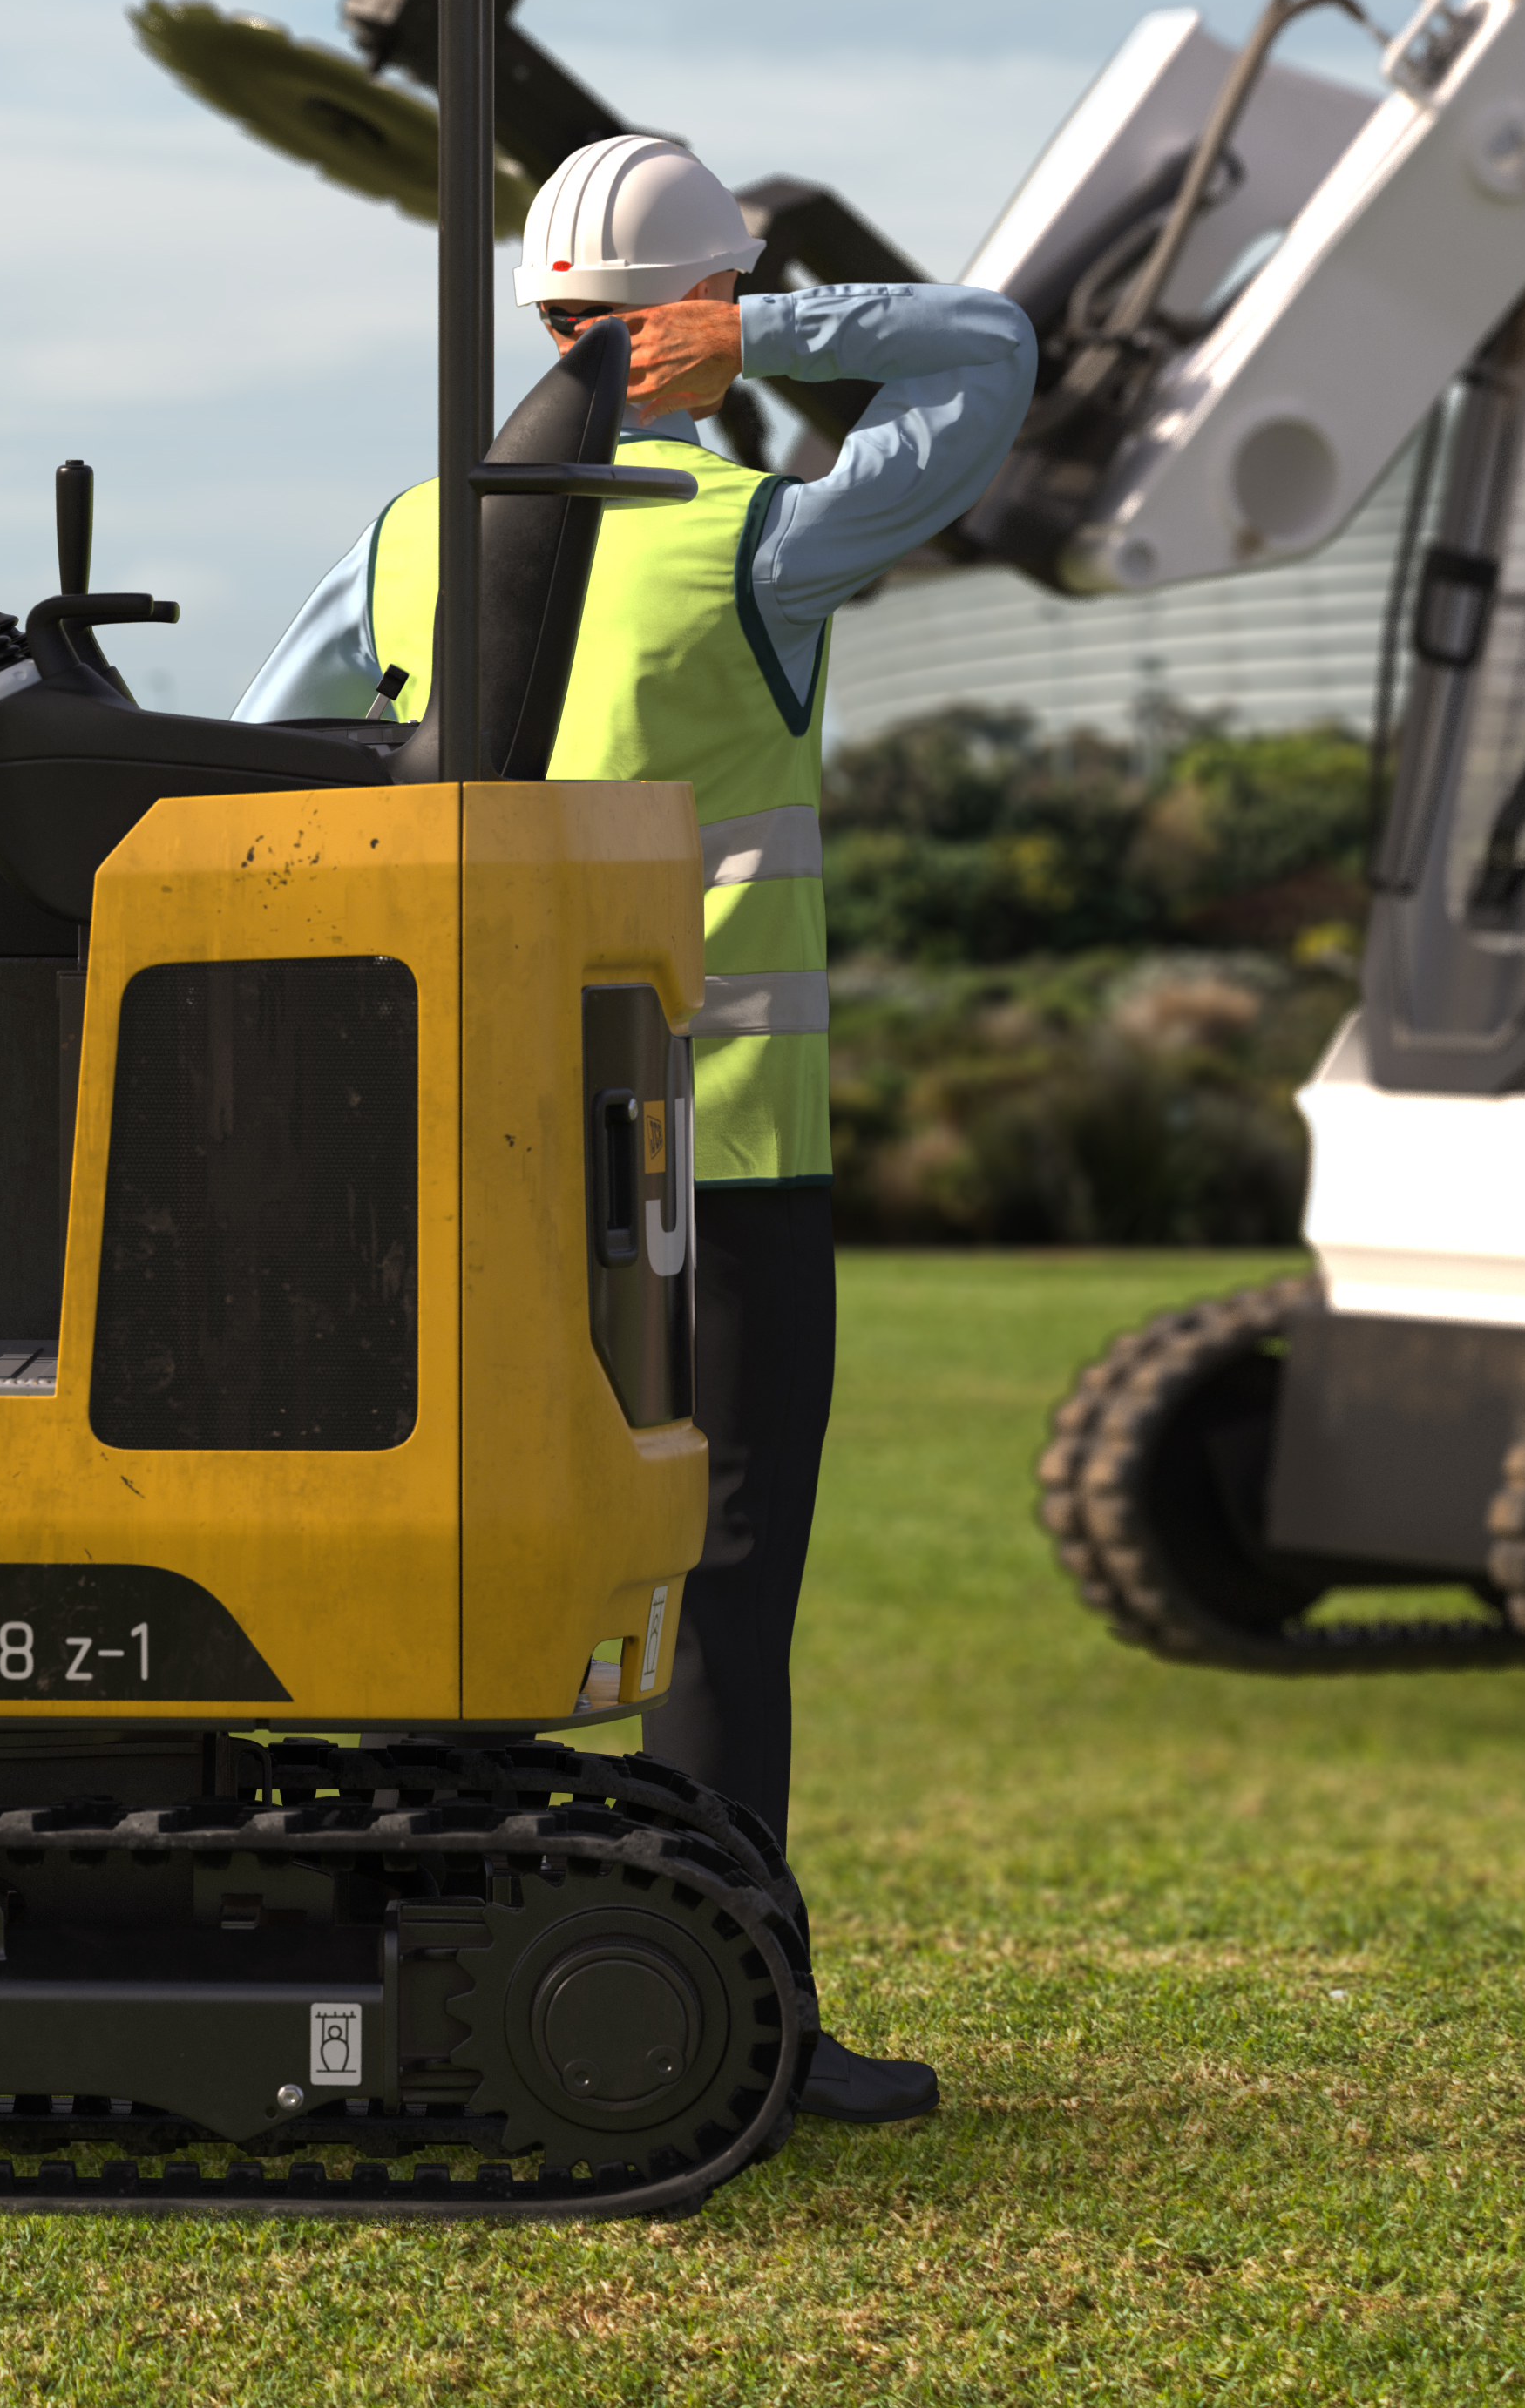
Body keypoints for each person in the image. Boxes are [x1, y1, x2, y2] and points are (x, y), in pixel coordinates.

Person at [235, 133, 1033, 2127]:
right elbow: (993, 352)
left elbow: (267, 743)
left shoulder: (421, 532)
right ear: (698, 316)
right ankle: (725, 2000)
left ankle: (388, 1981)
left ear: (540, 319)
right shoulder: (767, 538)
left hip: (445, 1152)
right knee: (724, 1580)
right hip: (722, 1160)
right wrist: (783, 328)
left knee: (434, 1564)